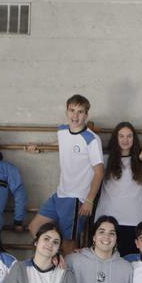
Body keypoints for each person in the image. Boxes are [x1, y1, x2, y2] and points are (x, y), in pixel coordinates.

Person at [26, 94, 105, 254]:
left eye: (80, 112)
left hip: (77, 199)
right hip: (60, 194)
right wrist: (40, 146)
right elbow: (61, 143)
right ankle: (54, 261)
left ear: (86, 115)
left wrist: (89, 200)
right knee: (34, 227)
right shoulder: (62, 130)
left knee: (69, 244)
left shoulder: (91, 139)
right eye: (72, 110)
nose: (75, 116)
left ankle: (68, 275)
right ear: (67, 112)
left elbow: (99, 172)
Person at [97, 121, 142, 257]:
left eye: (129, 136)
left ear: (134, 139)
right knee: (104, 260)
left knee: (128, 262)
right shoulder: (105, 159)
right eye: (121, 136)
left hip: (134, 220)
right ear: (115, 138)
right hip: (107, 219)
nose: (125, 140)